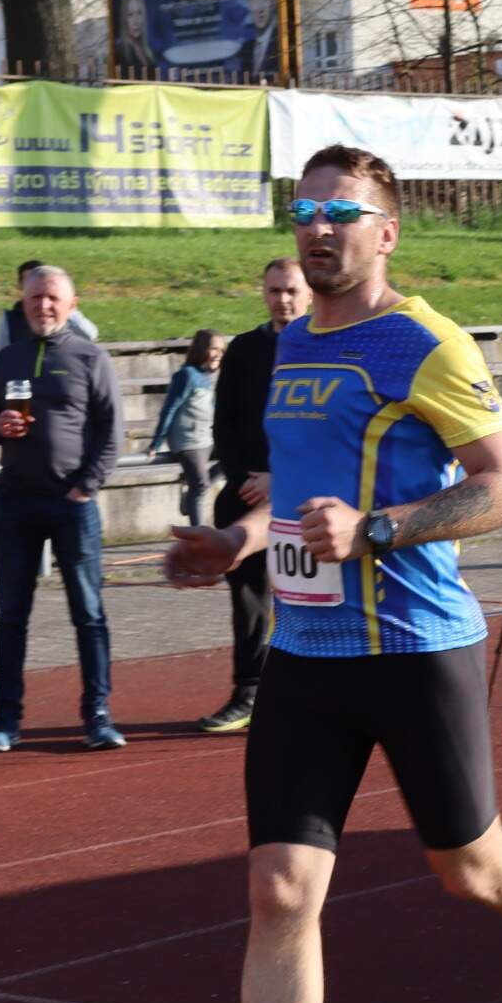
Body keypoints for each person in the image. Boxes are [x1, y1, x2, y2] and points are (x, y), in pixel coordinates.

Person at [162, 145, 502, 1003]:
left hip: (414, 647)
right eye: (304, 213)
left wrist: (376, 529)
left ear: (387, 233)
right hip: (305, 654)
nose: (319, 228)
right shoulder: (292, 344)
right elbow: (303, 496)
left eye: (340, 212)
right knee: (280, 887)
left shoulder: (426, 342)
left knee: (472, 867)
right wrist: (238, 538)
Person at [0, 265, 125, 752]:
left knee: (89, 614)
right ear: (23, 302)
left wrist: (85, 487)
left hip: (71, 504)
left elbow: (112, 432)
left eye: (53, 298)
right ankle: (5, 719)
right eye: (35, 297)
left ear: (72, 305)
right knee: (10, 617)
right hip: (15, 502)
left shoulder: (90, 356)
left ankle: (97, 714)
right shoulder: (9, 358)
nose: (43, 305)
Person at [198, 258, 312, 734]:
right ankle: (248, 690)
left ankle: (305, 697)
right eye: (274, 290)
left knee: (305, 599)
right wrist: (248, 477)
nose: (282, 300)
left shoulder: (325, 347)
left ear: (308, 293)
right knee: (248, 601)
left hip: (304, 498)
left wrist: (280, 480)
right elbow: (223, 423)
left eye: (291, 290)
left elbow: (321, 431)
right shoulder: (244, 349)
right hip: (244, 493)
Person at [151, 328, 225, 526]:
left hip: (206, 438)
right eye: (214, 349)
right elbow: (169, 409)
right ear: (202, 349)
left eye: (221, 350)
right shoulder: (186, 375)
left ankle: (190, 492)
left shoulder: (207, 376)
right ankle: (197, 536)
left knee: (235, 457)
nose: (219, 354)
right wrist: (156, 442)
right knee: (200, 486)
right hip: (188, 442)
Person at [0, 260, 98, 356]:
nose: (43, 305)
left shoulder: (62, 314)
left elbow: (89, 334)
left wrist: (67, 309)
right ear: (20, 285)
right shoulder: (11, 319)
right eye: (29, 281)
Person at [237, 0, 282, 80]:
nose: (260, 8)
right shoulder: (245, 50)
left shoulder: (281, 43)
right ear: (249, 3)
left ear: (273, 2)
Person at [114, 0, 162, 74]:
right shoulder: (119, 54)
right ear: (124, 19)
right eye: (130, 15)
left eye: (139, 13)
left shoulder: (147, 51)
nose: (136, 21)